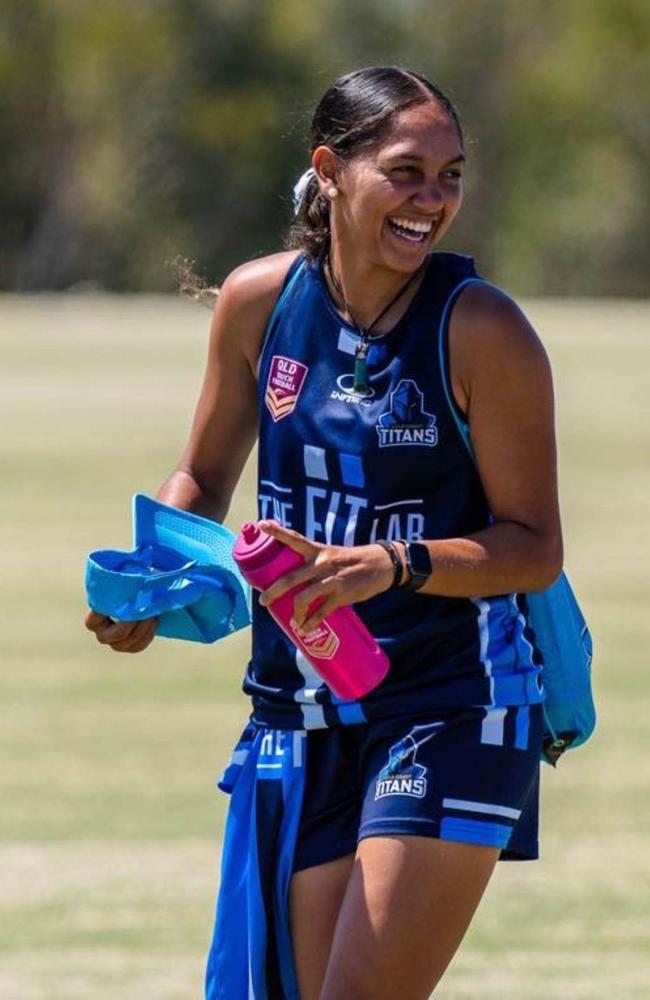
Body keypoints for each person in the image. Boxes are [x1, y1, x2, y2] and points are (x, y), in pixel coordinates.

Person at [86, 65, 563, 999]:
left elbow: (535, 546)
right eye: (407, 170)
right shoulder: (261, 304)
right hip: (300, 715)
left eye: (452, 175)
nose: (433, 199)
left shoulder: (481, 330)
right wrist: (152, 577)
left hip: (452, 702)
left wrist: (388, 565)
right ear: (330, 170)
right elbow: (205, 475)